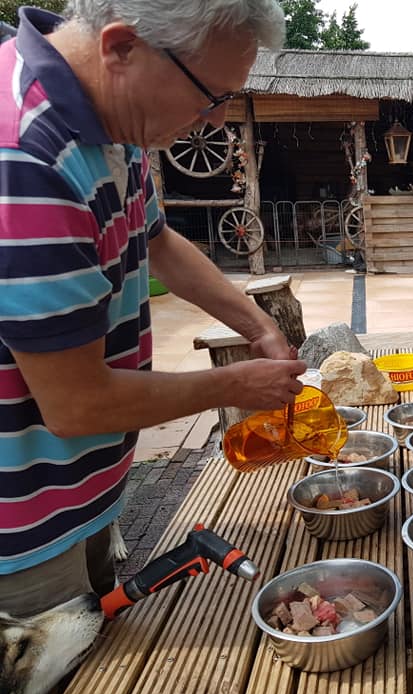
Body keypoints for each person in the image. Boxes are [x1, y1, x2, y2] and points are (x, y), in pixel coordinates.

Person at [0, 1, 302, 617]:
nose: (214, 119)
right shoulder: (26, 156)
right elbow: (77, 404)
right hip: (20, 524)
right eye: (209, 95)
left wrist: (258, 325)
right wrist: (236, 382)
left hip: (79, 490)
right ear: (121, 48)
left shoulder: (113, 118)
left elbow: (157, 240)